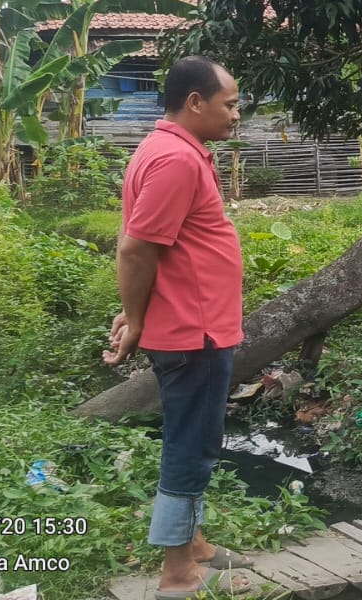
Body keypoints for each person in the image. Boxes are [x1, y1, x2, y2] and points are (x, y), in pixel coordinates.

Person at [104, 56, 253, 598]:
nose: (237, 114)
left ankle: (194, 542)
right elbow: (136, 246)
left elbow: (149, 242)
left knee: (193, 435)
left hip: (195, 324)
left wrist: (132, 309)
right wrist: (136, 318)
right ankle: (177, 574)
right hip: (195, 331)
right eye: (230, 103)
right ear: (195, 102)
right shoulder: (176, 161)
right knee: (192, 445)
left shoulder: (165, 148)